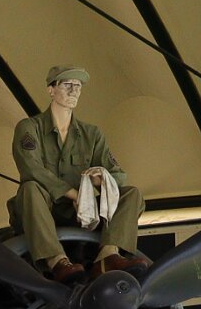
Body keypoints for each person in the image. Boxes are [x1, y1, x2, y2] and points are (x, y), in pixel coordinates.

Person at [10, 65, 141, 283]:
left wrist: (100, 180)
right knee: (30, 188)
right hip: (42, 210)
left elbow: (118, 175)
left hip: (81, 214)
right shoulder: (29, 128)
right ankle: (56, 260)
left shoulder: (92, 134)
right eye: (67, 85)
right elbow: (31, 169)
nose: (74, 91)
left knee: (131, 194)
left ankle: (108, 255)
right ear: (51, 90)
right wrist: (76, 195)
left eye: (78, 86)